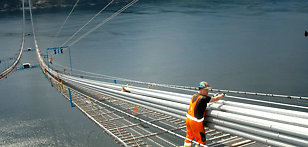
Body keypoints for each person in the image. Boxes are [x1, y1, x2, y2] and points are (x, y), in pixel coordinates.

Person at [184, 81, 225, 147]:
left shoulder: (194, 95)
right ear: (202, 89)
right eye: (206, 90)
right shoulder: (204, 98)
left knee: (189, 137)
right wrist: (221, 96)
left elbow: (198, 105)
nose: (207, 91)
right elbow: (215, 99)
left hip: (188, 119)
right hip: (196, 122)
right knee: (200, 140)